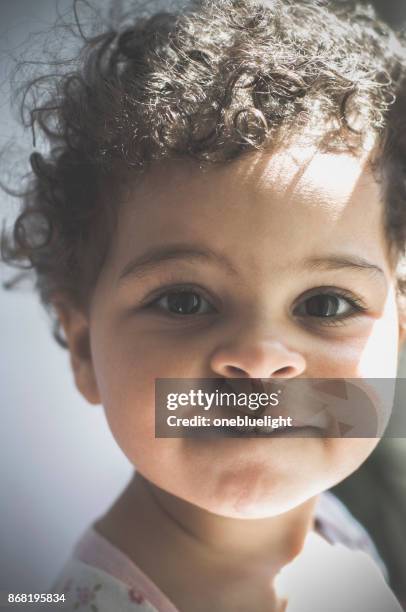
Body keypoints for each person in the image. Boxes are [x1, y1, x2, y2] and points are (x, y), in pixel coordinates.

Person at [1, 0, 406, 609]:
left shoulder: (335, 529)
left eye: (325, 304)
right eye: (186, 300)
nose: (260, 360)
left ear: (399, 329)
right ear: (85, 348)